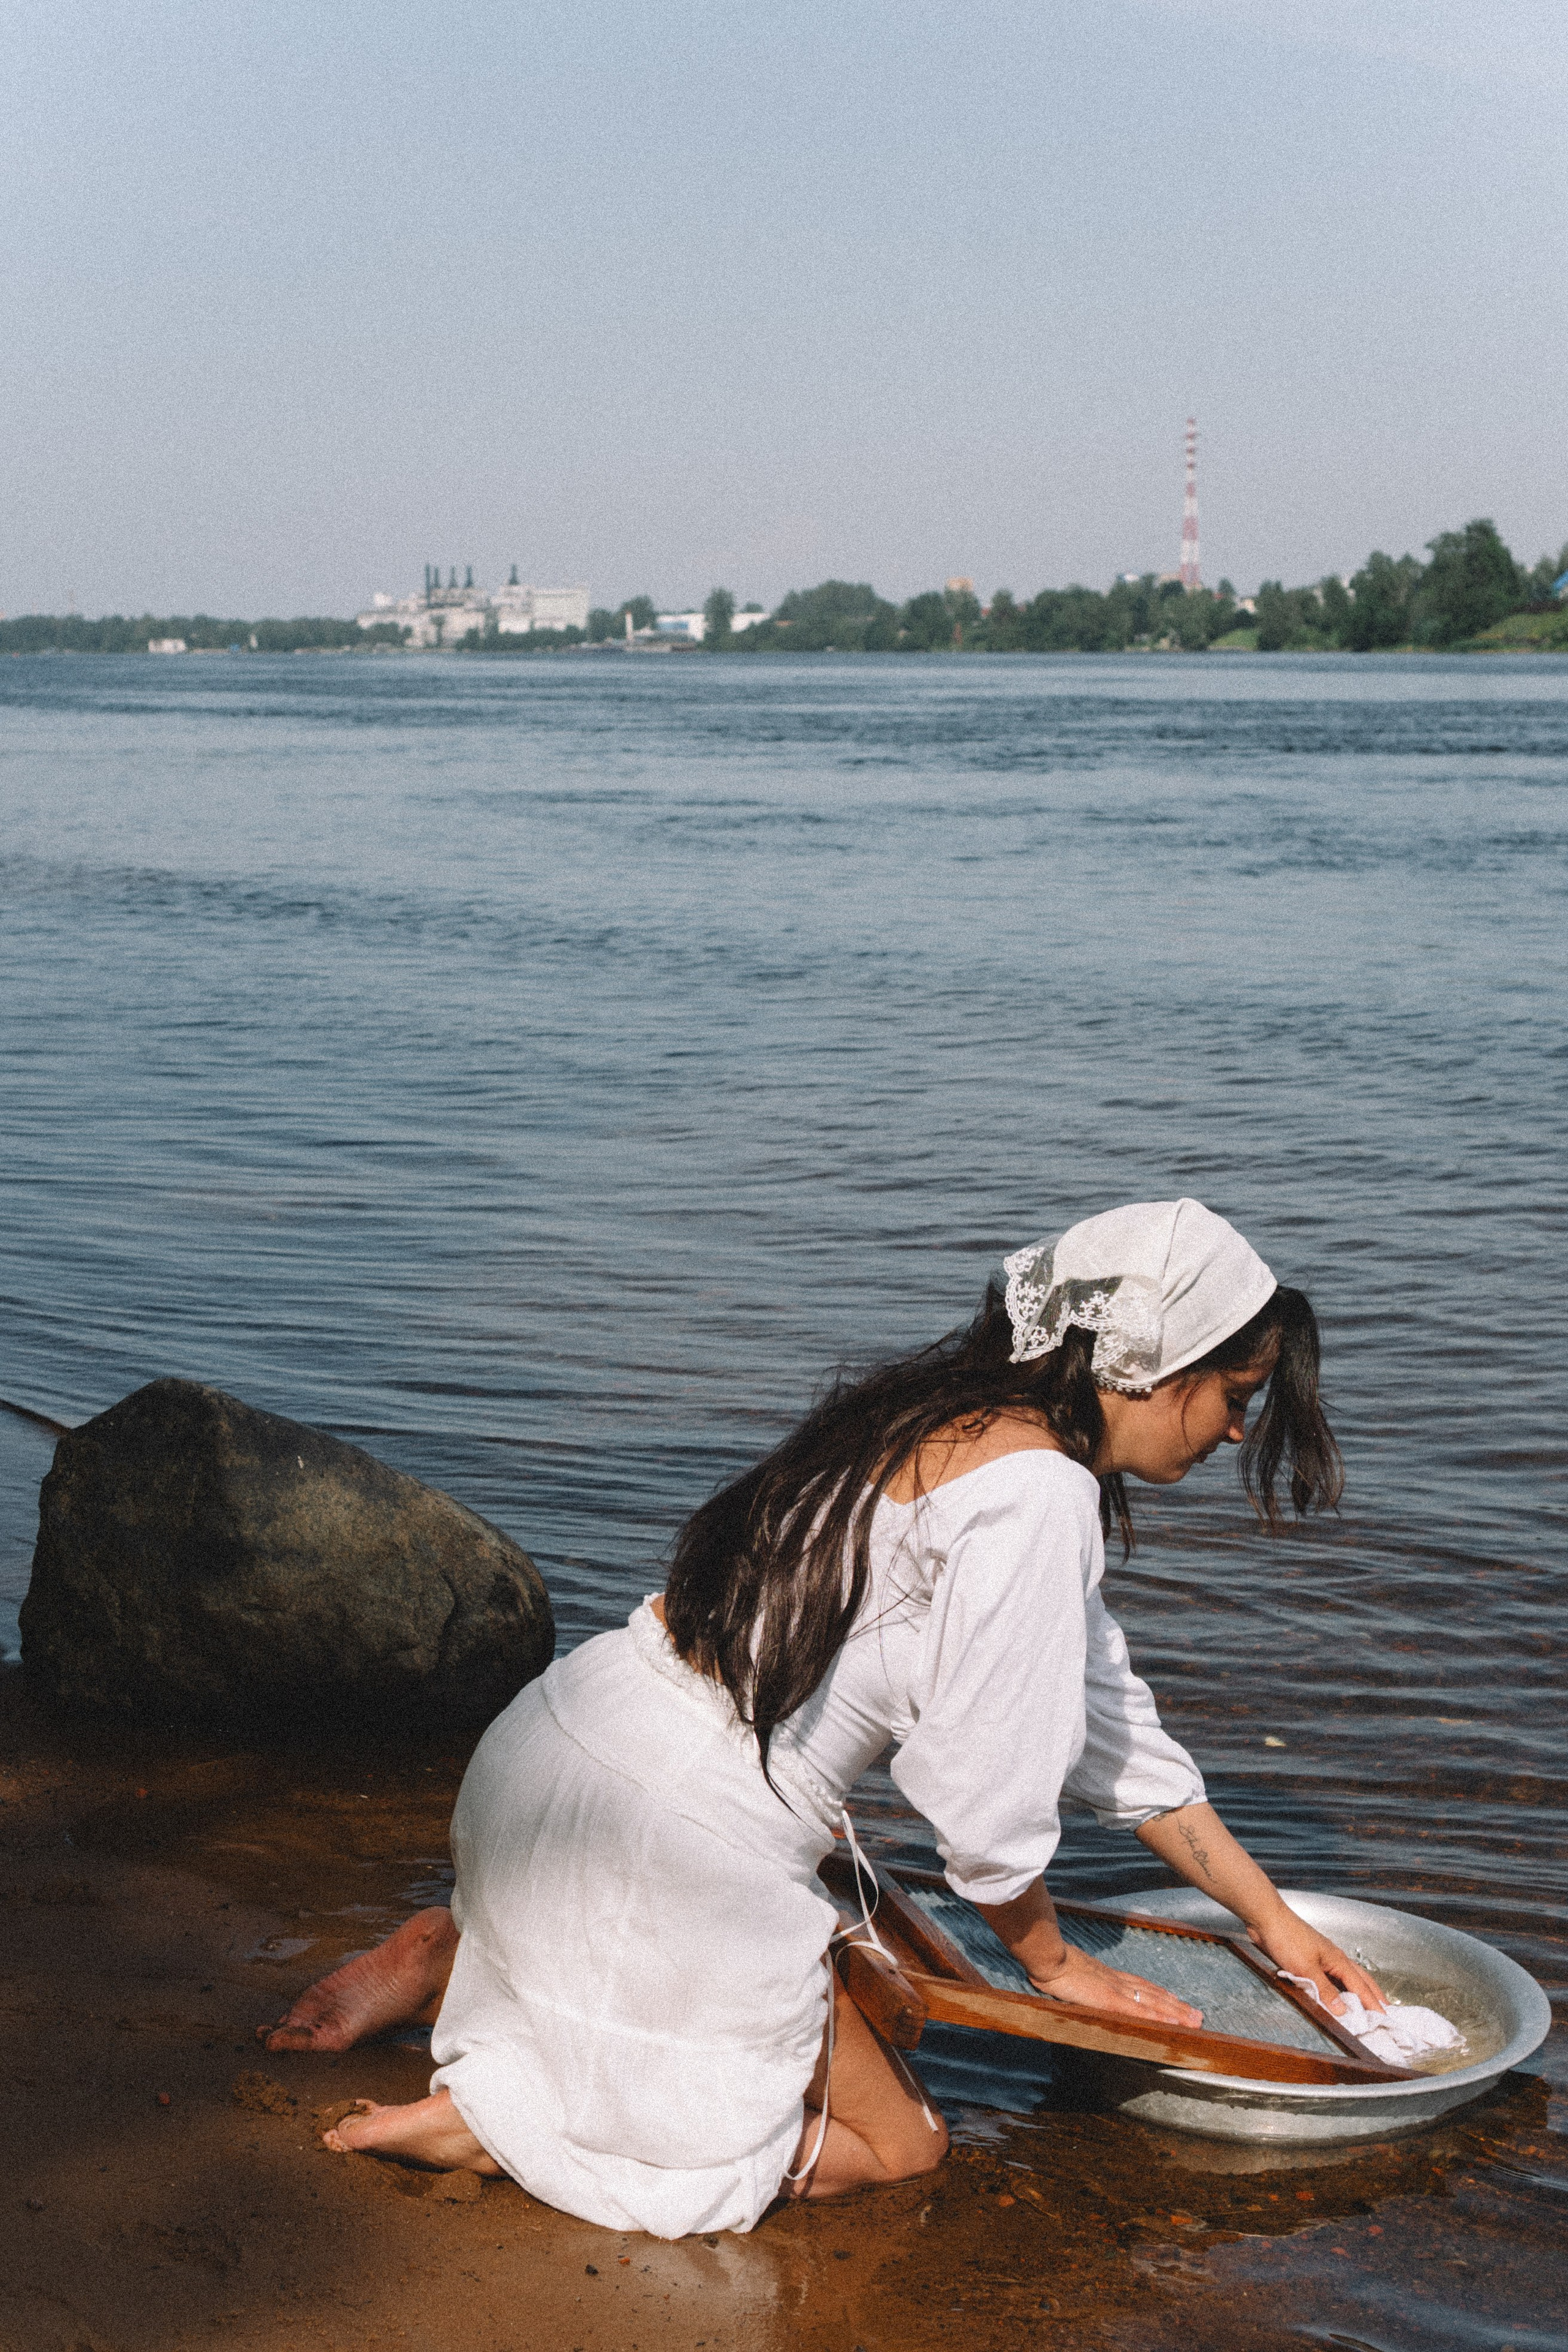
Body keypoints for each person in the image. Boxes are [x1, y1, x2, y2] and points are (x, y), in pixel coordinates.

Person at [267, 1199, 1386, 2236]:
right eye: (1237, 1398)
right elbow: (986, 1814)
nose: (1239, 1434)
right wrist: (1055, 1967)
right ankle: (504, 2123)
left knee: (816, 1914)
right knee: (902, 2150)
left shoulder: (935, 1417)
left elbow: (1112, 1735)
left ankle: (454, 1940)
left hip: (548, 1758)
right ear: (1152, 1362)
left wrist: (1270, 1920)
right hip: (672, 1844)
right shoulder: (1043, 1495)